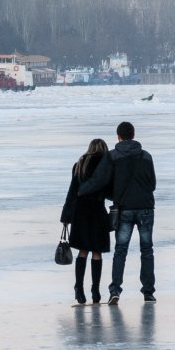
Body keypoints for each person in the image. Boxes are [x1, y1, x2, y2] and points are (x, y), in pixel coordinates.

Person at [77, 121, 156, 304]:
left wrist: (82, 189)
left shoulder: (113, 157)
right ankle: (148, 292)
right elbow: (152, 183)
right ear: (133, 135)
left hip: (125, 209)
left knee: (121, 250)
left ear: (118, 136)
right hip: (145, 208)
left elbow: (100, 180)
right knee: (147, 250)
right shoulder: (146, 156)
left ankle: (115, 291)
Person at [60, 139, 111, 304]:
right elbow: (110, 191)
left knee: (83, 251)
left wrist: (66, 217)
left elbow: (72, 191)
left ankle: (78, 288)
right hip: (97, 211)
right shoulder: (106, 166)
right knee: (97, 252)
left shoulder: (79, 164)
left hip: (80, 212)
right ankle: (95, 290)